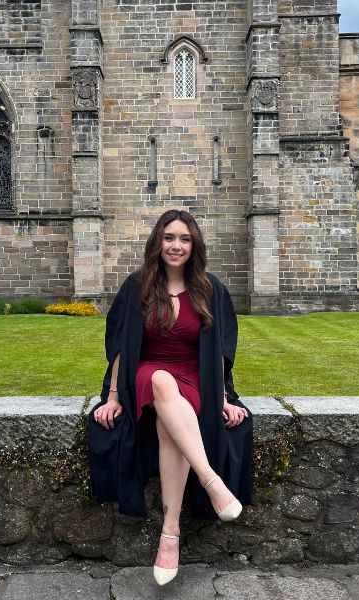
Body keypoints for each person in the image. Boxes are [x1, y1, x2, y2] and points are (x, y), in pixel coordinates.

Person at [88, 209, 253, 586]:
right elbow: (119, 347)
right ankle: (212, 483)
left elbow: (223, 352)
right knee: (162, 382)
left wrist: (225, 396)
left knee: (169, 425)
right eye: (169, 238)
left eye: (184, 239)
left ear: (194, 245)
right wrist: (113, 396)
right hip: (146, 374)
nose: (176, 246)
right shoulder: (138, 286)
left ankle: (170, 534)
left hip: (195, 379)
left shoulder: (210, 289)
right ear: (157, 243)